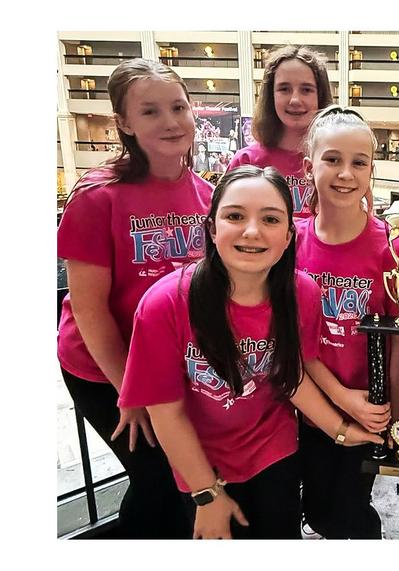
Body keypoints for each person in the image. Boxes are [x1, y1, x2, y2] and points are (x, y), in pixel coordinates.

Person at [118, 166, 383, 539]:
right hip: (199, 461)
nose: (252, 231)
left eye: (271, 219)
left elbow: (291, 376)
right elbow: (167, 413)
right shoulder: (164, 304)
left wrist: (340, 432)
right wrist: (207, 495)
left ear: (289, 236)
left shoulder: (301, 293)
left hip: (274, 452)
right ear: (212, 228)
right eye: (235, 216)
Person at [56, 58, 212, 538]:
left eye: (178, 107)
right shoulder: (97, 196)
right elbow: (87, 309)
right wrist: (132, 391)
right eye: (150, 112)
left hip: (171, 365)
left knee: (182, 476)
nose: (169, 121)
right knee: (160, 480)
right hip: (106, 369)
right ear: (123, 122)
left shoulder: (208, 195)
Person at [294, 105, 399, 539]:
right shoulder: (291, 241)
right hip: (304, 401)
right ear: (309, 167)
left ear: (371, 171)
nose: (345, 173)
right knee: (316, 506)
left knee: (348, 505)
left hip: (367, 406)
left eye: (358, 162)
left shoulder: (393, 249)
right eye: (332, 159)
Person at [228, 45, 333, 218]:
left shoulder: (336, 161)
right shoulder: (246, 161)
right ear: (271, 96)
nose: (295, 100)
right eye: (284, 89)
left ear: (320, 97)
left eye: (306, 90)